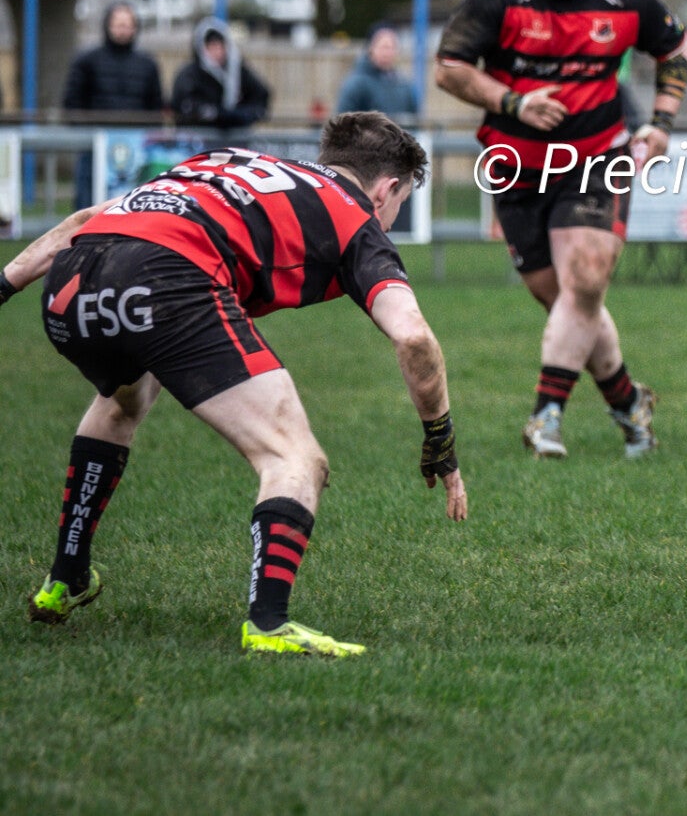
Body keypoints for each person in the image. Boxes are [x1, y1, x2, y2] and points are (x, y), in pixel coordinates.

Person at [25, 113, 467, 656]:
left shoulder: (233, 163)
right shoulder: (355, 218)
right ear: (388, 188)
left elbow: (87, 218)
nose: (393, 219)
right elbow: (414, 338)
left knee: (125, 400)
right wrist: (440, 440)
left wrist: (3, 285)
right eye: (399, 206)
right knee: (296, 459)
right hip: (168, 281)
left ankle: (64, 579)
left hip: (70, 284)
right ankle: (269, 624)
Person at [436, 0, 687, 460]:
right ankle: (627, 402)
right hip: (516, 167)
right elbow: (449, 68)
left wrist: (662, 124)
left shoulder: (624, 2)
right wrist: (512, 101)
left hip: (598, 159)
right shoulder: (497, 0)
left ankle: (544, 417)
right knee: (564, 301)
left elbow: (675, 48)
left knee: (587, 281)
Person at [63, 2, 167, 209]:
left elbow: (156, 106)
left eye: (127, 24)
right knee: (88, 207)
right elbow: (72, 103)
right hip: (94, 148)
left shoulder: (147, 64)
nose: (122, 29)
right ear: (107, 26)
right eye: (118, 24)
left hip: (137, 151)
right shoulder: (87, 61)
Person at [170, 17, 272, 133]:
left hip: (235, 138)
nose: (217, 52)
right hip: (199, 140)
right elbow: (187, 107)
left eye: (220, 46)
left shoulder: (238, 70)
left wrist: (243, 114)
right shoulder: (189, 75)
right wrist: (218, 114)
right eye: (212, 47)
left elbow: (260, 96)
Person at [337, 25, 420, 119]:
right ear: (371, 48)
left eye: (391, 47)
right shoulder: (356, 84)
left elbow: (413, 119)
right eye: (383, 47)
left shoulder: (404, 85)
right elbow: (344, 122)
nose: (387, 52)